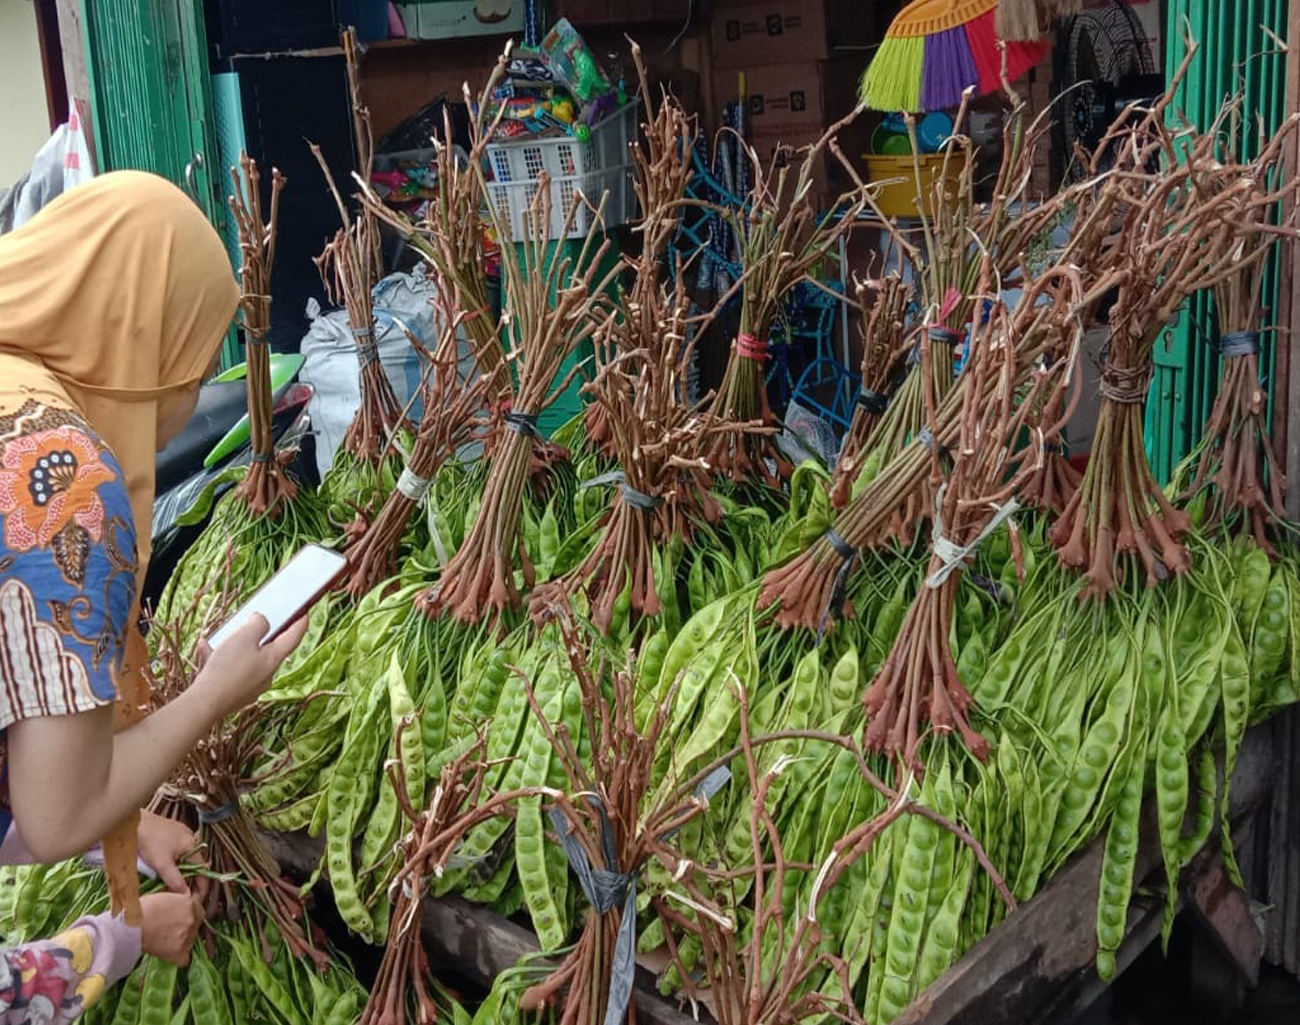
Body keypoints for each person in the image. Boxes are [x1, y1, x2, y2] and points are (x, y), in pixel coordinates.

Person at [0, 171, 307, 1023]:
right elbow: (57, 812)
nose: (188, 401)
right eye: (194, 363)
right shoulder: (60, 481)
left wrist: (119, 835)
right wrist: (214, 693)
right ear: (143, 334)